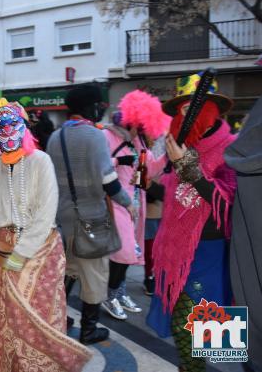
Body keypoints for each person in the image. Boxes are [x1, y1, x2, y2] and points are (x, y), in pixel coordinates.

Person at [0, 97, 92, 372]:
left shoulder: (40, 161)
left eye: (13, 126)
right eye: (0, 128)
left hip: (39, 253)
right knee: (0, 320)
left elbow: (46, 213)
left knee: (35, 319)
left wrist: (21, 254)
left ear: (23, 128)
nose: (7, 133)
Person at [146, 73, 236, 372]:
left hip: (211, 254)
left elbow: (228, 203)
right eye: (181, 110)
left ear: (212, 110)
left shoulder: (232, 149)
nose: (185, 115)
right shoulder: (183, 146)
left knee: (207, 334)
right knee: (184, 327)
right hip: (176, 253)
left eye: (192, 108)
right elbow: (178, 195)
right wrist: (150, 185)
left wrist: (187, 166)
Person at [46, 84, 135, 345]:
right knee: (95, 273)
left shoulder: (55, 137)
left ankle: (58, 318)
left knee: (70, 270)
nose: (101, 110)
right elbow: (107, 178)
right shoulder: (94, 136)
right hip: (91, 217)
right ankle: (89, 328)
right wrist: (127, 202)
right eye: (99, 105)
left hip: (63, 218)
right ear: (88, 107)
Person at [101, 90, 169, 320]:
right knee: (124, 251)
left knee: (132, 253)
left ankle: (119, 292)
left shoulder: (139, 140)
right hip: (116, 201)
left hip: (136, 204)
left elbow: (149, 169)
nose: (143, 128)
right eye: (140, 124)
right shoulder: (108, 136)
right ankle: (110, 295)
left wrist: (169, 155)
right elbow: (98, 165)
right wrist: (119, 160)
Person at [224, 95, 262, 372]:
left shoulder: (223, 144)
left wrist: (187, 168)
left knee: (215, 339)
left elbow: (224, 198)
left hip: (214, 245)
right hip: (184, 254)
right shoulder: (179, 145)